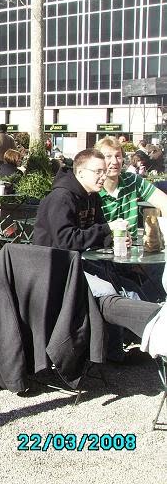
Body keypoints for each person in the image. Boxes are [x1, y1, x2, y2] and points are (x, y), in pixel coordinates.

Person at [32, 148, 164, 359]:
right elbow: (66, 241)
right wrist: (107, 229)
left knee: (129, 287)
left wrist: (115, 238)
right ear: (80, 172)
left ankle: (142, 340)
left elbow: (99, 230)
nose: (104, 176)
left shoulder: (91, 196)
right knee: (108, 291)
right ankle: (116, 350)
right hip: (54, 269)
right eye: (98, 172)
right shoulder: (61, 197)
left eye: (104, 171)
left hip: (78, 262)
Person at [97, 137, 167, 240]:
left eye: (118, 156)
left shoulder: (132, 180)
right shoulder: (93, 190)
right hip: (101, 248)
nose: (114, 161)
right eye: (108, 156)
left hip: (131, 247)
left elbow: (164, 202)